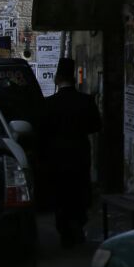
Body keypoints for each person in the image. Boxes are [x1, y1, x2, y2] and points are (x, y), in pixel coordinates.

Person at [39, 58, 102, 248]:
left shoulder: (49, 104)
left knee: (61, 193)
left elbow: (42, 131)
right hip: (80, 152)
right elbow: (96, 126)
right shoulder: (85, 101)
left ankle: (65, 231)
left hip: (57, 155)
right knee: (80, 190)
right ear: (74, 78)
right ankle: (78, 225)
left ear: (57, 79)